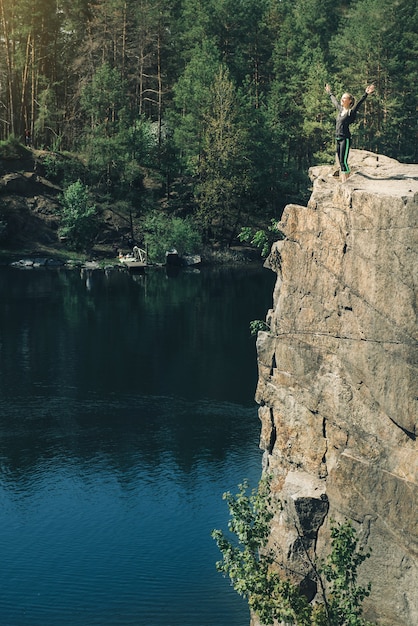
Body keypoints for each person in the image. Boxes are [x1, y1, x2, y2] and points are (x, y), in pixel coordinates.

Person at [325, 83, 375, 182]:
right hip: (338, 138)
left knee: (344, 162)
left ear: (349, 101)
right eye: (342, 98)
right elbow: (334, 101)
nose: (342, 100)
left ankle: (346, 182)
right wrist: (329, 93)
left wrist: (366, 94)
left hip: (345, 139)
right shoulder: (340, 110)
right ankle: (344, 181)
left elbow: (359, 103)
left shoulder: (350, 112)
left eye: (344, 98)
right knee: (340, 162)